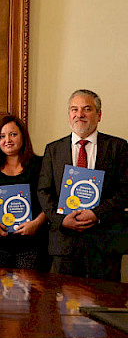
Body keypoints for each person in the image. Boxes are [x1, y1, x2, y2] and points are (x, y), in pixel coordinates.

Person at [38, 89, 128, 281]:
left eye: (87, 109)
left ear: (99, 115)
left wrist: (97, 214)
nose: (80, 114)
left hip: (105, 242)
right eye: (74, 109)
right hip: (65, 242)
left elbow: (125, 191)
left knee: (105, 302)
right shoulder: (53, 150)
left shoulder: (119, 147)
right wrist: (61, 220)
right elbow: (44, 192)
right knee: (65, 305)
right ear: (69, 115)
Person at [0, 116, 47, 269]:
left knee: (29, 288)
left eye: (13, 134)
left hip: (31, 241)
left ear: (23, 137)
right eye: (2, 136)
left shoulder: (40, 164)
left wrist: (36, 223)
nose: (8, 140)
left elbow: (51, 199)